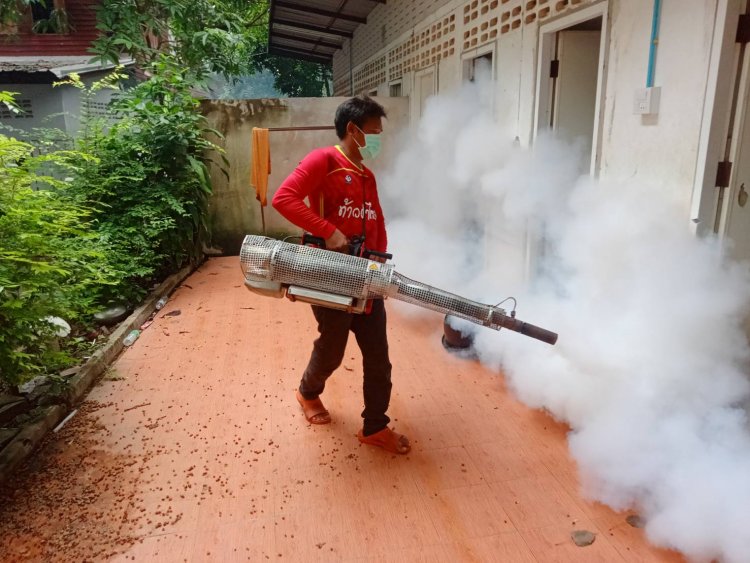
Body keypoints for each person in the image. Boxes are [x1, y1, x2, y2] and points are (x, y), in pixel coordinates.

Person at [272, 95, 410, 455]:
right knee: (333, 347)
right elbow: (284, 198)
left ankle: (375, 426)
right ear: (353, 130)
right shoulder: (324, 161)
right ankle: (307, 392)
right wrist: (328, 231)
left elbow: (376, 225)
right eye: (374, 132)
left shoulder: (367, 175)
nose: (378, 139)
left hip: (365, 277)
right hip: (327, 274)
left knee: (378, 356)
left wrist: (381, 271)